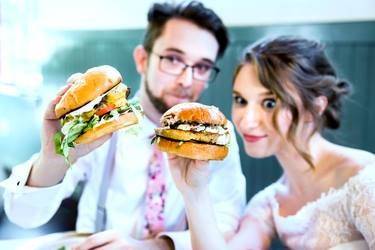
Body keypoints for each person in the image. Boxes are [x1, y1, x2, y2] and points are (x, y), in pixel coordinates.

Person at [0, 2, 246, 250]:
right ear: (142, 59)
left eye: (202, 67)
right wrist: (53, 159)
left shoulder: (214, 141)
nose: (186, 80)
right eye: (172, 59)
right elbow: (22, 215)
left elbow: (227, 221)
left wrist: (156, 246)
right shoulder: (98, 122)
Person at [168, 36, 375, 250]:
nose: (247, 121)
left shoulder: (366, 180)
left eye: (269, 103)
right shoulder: (269, 203)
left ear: (315, 107)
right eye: (240, 100)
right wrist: (195, 192)